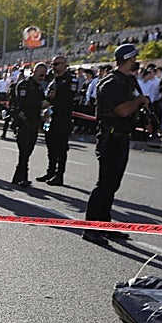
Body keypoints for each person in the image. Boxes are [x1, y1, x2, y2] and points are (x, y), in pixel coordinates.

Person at [83, 44, 149, 245]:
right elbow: (121, 110)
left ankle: (105, 225)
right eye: (134, 58)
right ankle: (90, 228)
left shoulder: (127, 81)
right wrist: (139, 101)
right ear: (129, 59)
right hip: (110, 138)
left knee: (112, 184)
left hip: (121, 136)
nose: (136, 62)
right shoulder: (110, 83)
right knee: (104, 184)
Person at [39, 55, 79, 186]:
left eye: (56, 64)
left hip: (62, 117)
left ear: (63, 65)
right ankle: (50, 171)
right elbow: (48, 97)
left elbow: (69, 99)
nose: (53, 67)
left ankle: (59, 174)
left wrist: (56, 97)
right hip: (50, 118)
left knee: (61, 147)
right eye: (52, 65)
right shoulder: (53, 80)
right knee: (50, 146)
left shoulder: (70, 79)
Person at [10, 62, 47, 187]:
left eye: (44, 76)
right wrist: (40, 104)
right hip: (23, 121)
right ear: (34, 72)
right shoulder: (24, 85)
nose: (42, 78)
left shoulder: (39, 87)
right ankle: (23, 177)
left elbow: (43, 101)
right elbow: (23, 102)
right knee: (24, 150)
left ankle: (17, 176)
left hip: (34, 122)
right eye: (40, 74)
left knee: (28, 150)